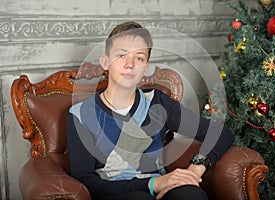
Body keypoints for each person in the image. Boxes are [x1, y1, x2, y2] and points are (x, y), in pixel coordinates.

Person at [67, 21, 234, 200]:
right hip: (116, 193)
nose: (130, 64)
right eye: (121, 55)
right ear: (105, 62)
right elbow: (85, 181)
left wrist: (194, 169)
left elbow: (219, 133)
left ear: (145, 67)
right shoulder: (80, 114)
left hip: (163, 187)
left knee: (191, 194)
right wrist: (152, 184)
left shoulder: (157, 102)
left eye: (139, 58)